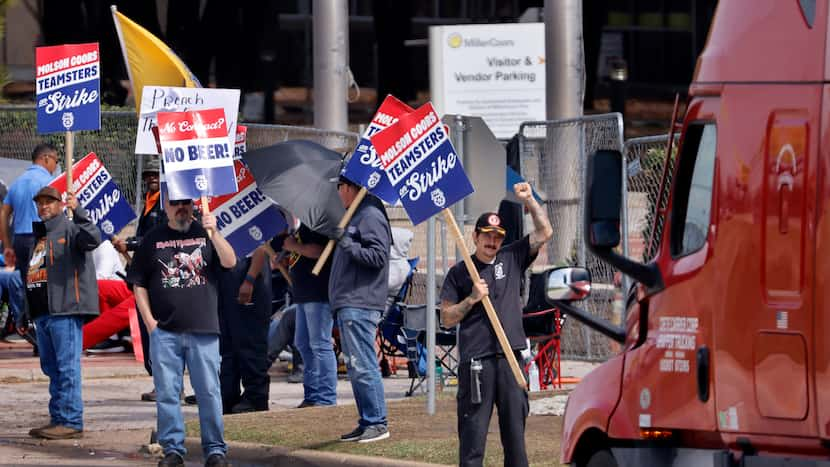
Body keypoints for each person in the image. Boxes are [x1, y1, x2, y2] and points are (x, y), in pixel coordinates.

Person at [439, 182, 553, 467]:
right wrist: (471, 299)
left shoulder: (512, 257)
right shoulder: (460, 272)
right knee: (473, 439)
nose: (492, 242)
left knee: (515, 440)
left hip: (511, 359)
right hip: (476, 363)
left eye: (497, 237)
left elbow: (544, 232)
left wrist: (530, 201)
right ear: (475, 236)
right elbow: (446, 317)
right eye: (487, 236)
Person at [127, 194, 235, 467]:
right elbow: (138, 282)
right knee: (167, 393)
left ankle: (215, 451)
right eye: (175, 203)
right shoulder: (151, 239)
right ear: (167, 206)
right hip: (165, 332)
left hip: (204, 330)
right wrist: (150, 322)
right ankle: (173, 449)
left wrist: (214, 232)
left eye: (186, 203)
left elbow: (230, 261)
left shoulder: (206, 233)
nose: (181, 208)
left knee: (209, 392)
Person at [22, 186, 101, 440]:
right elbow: (32, 276)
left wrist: (78, 211)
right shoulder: (40, 236)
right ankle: (58, 418)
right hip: (42, 313)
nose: (44, 206)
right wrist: (25, 311)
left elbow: (92, 238)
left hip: (65, 310)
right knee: (52, 368)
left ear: (59, 204)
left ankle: (70, 419)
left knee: (66, 368)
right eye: (40, 203)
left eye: (49, 202)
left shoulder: (71, 228)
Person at [330, 176, 392, 443]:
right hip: (349, 302)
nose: (338, 193)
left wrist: (347, 243)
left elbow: (378, 256)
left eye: (339, 188)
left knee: (363, 364)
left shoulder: (369, 214)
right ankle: (368, 419)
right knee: (356, 366)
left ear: (350, 187)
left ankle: (377, 421)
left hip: (360, 302)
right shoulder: (356, 215)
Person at [113, 155, 167, 401]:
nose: (152, 178)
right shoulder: (148, 203)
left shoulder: (165, 204)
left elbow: (158, 238)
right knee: (149, 333)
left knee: (159, 332)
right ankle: (160, 381)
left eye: (156, 174)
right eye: (148, 175)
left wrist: (131, 243)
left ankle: (169, 386)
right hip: (146, 273)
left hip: (161, 276)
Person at [270, 220, 335, 408]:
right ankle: (312, 394)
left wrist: (294, 245)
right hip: (302, 294)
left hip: (317, 293)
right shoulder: (305, 225)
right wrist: (284, 256)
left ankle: (326, 397)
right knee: (303, 344)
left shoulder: (320, 224)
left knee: (320, 344)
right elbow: (301, 254)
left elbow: (318, 251)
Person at [217, 245, 272, 414]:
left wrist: (250, 280)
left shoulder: (253, 217)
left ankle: (256, 399)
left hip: (249, 282)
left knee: (251, 346)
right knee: (228, 348)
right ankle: (228, 396)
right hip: (226, 284)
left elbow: (261, 246)